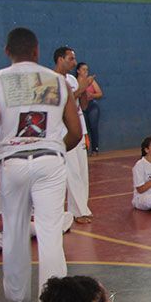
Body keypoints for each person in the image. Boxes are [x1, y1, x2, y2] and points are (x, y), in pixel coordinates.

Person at [0, 27, 82, 302]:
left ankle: (17, 294)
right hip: (50, 160)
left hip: (13, 162)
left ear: (6, 51)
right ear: (37, 51)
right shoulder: (59, 82)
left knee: (14, 230)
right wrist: (55, 150)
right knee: (50, 234)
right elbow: (75, 132)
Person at [53, 46, 93, 223]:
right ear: (60, 59)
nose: (74, 62)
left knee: (83, 170)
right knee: (72, 171)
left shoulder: (72, 79)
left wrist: (84, 88)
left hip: (79, 128)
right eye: (71, 59)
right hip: (63, 131)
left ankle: (83, 206)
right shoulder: (52, 80)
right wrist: (80, 89)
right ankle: (78, 211)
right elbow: (60, 104)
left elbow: (83, 106)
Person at [75, 61, 103, 155]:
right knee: (82, 128)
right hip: (80, 107)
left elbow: (100, 93)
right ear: (78, 71)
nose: (86, 71)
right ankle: (83, 149)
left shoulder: (91, 80)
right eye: (83, 69)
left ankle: (95, 149)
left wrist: (92, 95)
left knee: (93, 126)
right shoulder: (75, 81)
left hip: (91, 105)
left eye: (87, 70)